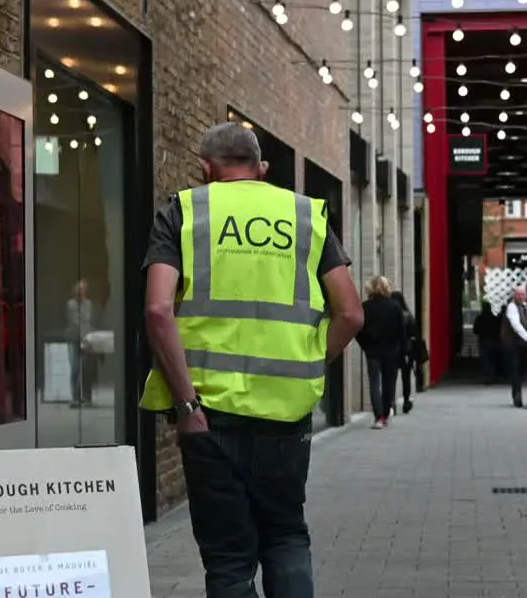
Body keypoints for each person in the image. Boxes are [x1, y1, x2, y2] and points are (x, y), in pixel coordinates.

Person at [139, 122, 364, 598]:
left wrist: (185, 407)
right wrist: (306, 361)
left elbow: (158, 310)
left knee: (228, 561)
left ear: (205, 168)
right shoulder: (307, 217)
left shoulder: (184, 211)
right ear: (262, 169)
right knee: (285, 535)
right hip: (285, 412)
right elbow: (351, 313)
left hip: (208, 413)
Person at [356, 277, 406, 429]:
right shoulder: (395, 307)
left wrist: (365, 345)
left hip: (372, 351)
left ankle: (378, 417)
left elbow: (359, 329)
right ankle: (385, 414)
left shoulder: (365, 307)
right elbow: (402, 332)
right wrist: (402, 351)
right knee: (389, 384)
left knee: (374, 384)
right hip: (392, 351)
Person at [499, 284, 527, 408]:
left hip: (520, 343)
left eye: (523, 294)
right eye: (519, 294)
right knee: (515, 370)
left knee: (520, 370)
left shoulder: (525, 307)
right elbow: (516, 325)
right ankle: (517, 396)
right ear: (515, 295)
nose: (521, 297)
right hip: (511, 343)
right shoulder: (511, 307)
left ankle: (517, 392)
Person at [66, 278, 96, 407]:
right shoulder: (71, 304)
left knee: (86, 369)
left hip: (86, 338)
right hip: (74, 338)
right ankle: (76, 397)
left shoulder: (89, 304)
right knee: (75, 368)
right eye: (79, 290)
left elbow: (88, 320)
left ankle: (87, 397)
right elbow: (74, 321)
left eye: (84, 290)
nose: (81, 292)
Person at [390, 290, 418, 414]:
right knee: (406, 378)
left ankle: (392, 403)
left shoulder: (391, 315)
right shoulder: (408, 315)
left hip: (393, 349)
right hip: (407, 351)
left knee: (391, 377)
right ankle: (406, 401)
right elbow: (414, 334)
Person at [472, 300, 501, 384]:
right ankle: (494, 375)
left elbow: (475, 330)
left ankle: (488, 376)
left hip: (484, 340)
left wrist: (481, 333)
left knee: (486, 360)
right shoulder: (495, 318)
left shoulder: (479, 318)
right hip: (495, 340)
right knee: (494, 359)